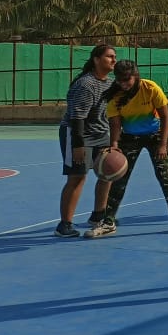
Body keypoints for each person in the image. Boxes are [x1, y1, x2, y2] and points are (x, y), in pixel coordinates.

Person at [85, 59, 168, 238]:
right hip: (129, 137)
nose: (123, 84)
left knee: (165, 176)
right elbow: (115, 124)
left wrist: (163, 144)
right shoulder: (115, 96)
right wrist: (115, 145)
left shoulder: (150, 88)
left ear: (135, 76)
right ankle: (108, 222)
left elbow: (165, 118)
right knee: (119, 178)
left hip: (156, 135)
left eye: (127, 79)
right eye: (120, 80)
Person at [55, 44, 116, 238]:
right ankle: (64, 224)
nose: (114, 60)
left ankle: (98, 215)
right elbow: (77, 117)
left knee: (107, 173)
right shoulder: (85, 84)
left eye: (114, 56)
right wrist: (78, 145)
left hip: (101, 134)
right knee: (77, 177)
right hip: (77, 133)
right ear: (96, 59)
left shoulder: (110, 83)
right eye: (109, 57)